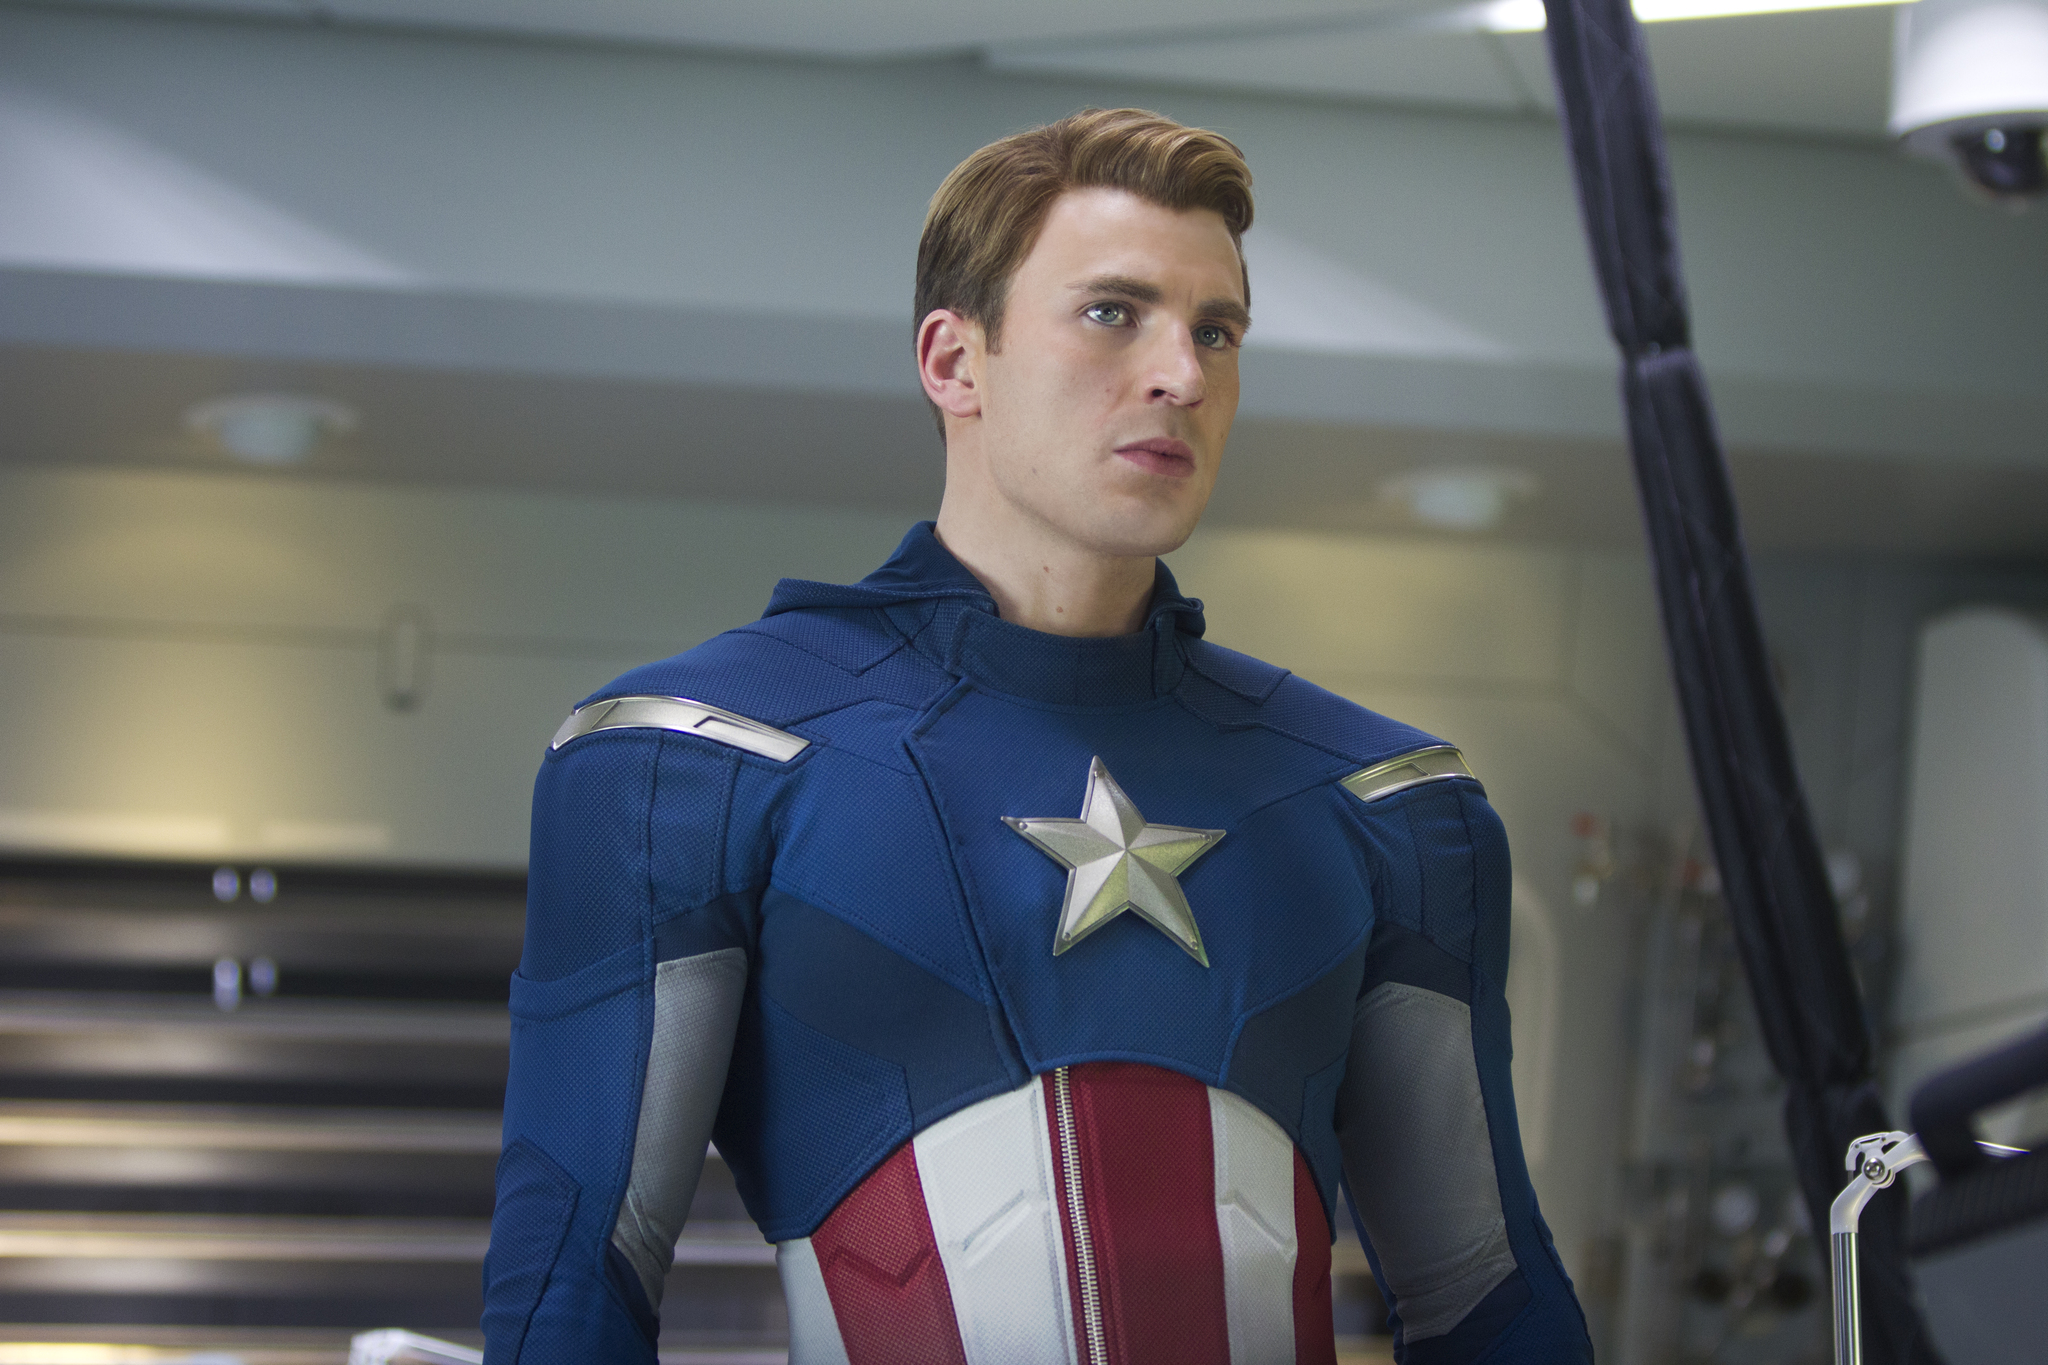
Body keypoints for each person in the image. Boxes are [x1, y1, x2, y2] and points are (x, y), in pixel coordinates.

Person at [483, 107, 1593, 1365]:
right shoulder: (695, 761)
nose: (1182, 375)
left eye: (1215, 331)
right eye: (1113, 313)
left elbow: (1487, 1297)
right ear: (955, 361)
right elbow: (570, 1285)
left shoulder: (1388, 807)